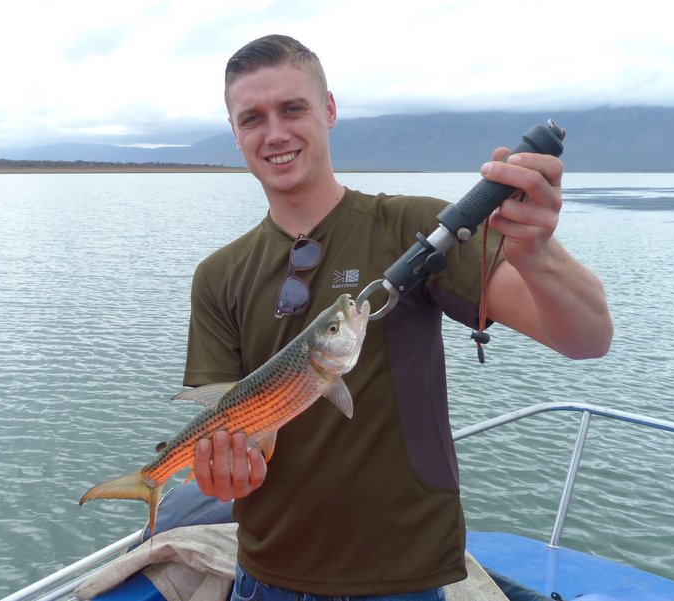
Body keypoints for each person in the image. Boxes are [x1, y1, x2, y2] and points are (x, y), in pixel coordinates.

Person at [182, 34, 613, 601]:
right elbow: (220, 431)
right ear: (235, 132)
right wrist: (224, 473)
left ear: (329, 109)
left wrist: (538, 253)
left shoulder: (417, 230)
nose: (276, 133)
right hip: (266, 578)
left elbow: (587, 338)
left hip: (403, 579)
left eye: (293, 108)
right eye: (253, 118)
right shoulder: (219, 275)